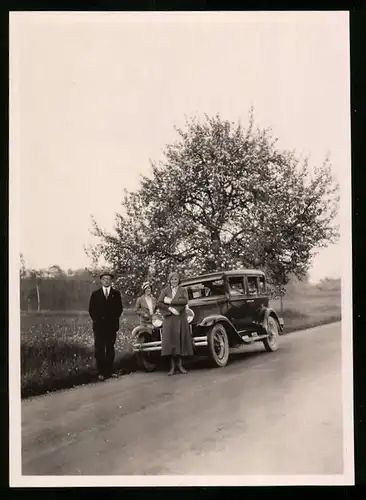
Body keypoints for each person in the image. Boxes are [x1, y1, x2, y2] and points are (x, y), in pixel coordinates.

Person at [88, 272, 123, 381]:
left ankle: (110, 371)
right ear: (101, 281)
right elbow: (91, 310)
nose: (106, 281)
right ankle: (101, 372)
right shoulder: (95, 294)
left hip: (111, 326)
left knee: (110, 348)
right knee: (99, 349)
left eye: (108, 279)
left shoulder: (116, 294)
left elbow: (119, 309)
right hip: (99, 327)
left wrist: (113, 319)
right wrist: (98, 320)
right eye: (104, 279)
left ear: (111, 281)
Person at [157, 271, 193, 376]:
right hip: (169, 319)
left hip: (180, 318)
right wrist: (169, 309)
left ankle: (180, 366)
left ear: (179, 280)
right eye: (172, 279)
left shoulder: (183, 290)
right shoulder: (164, 291)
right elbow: (159, 303)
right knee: (170, 342)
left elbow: (184, 301)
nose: (174, 281)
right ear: (169, 280)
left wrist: (170, 301)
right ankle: (172, 367)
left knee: (180, 341)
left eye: (176, 279)